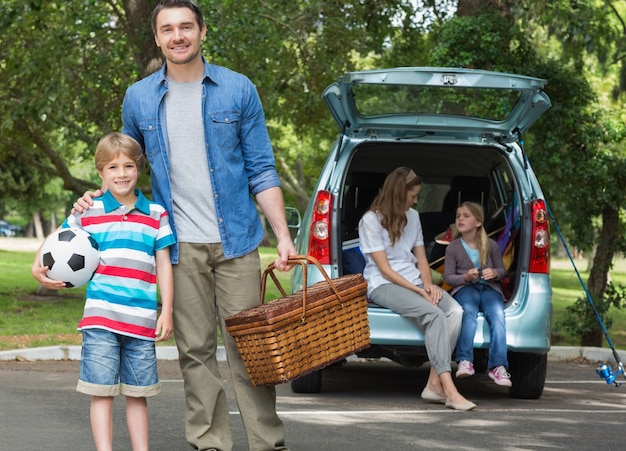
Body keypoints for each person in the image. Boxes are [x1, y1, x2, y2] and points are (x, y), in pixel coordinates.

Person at [75, 1, 295, 449]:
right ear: (156, 38)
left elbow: (262, 168)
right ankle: (209, 443)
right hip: (177, 247)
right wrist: (93, 196)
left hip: (237, 241)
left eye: (186, 27)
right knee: (194, 353)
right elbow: (126, 165)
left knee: (250, 351)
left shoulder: (237, 89)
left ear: (202, 32)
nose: (178, 36)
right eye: (168, 29)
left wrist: (284, 236)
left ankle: (267, 443)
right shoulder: (139, 97)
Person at [32, 133, 176, 451]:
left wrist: (166, 310)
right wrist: (35, 265)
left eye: (128, 165)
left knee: (139, 395)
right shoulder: (88, 211)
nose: (121, 173)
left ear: (139, 168)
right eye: (112, 167)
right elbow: (58, 238)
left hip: (141, 321)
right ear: (101, 172)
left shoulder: (156, 214)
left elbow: (164, 265)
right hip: (100, 319)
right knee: (102, 391)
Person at [358, 167, 477, 411]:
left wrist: (428, 285)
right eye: (412, 196)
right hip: (383, 284)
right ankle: (450, 390)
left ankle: (433, 383)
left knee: (455, 311)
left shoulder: (413, 216)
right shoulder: (370, 220)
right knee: (434, 315)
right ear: (398, 193)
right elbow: (384, 269)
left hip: (415, 281)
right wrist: (420, 292)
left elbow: (422, 259)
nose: (416, 200)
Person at [443, 201, 512, 387]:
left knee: (498, 315)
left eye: (466, 216)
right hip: (466, 288)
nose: (460, 219)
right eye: (458, 216)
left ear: (478, 222)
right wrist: (465, 277)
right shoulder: (453, 247)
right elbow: (448, 278)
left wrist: (495, 273)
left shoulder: (491, 245)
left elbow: (503, 270)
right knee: (468, 311)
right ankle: (465, 360)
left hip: (490, 288)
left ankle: (498, 366)